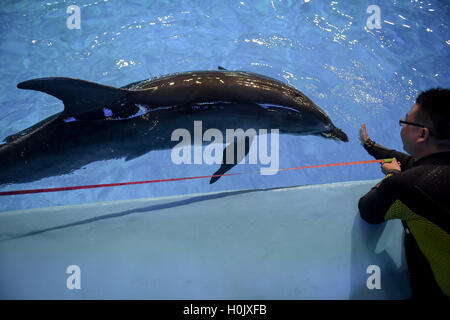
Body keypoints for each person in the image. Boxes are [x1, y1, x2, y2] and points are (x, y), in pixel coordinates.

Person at [358, 88, 450, 300]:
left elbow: (368, 211)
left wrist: (392, 176)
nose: (402, 127)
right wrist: (370, 146)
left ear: (422, 134)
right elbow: (414, 162)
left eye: (406, 122)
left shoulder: (406, 186)